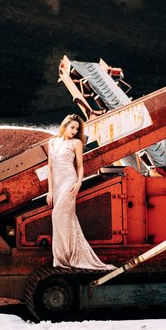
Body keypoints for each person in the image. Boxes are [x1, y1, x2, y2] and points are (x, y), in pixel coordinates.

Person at [47, 113, 115, 270]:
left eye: (76, 129)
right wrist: (50, 191)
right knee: (66, 219)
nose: (74, 131)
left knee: (57, 215)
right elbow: (50, 168)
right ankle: (62, 259)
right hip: (57, 184)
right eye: (72, 128)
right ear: (65, 126)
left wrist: (79, 183)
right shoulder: (52, 142)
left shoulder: (77, 143)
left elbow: (80, 166)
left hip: (69, 182)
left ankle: (65, 258)